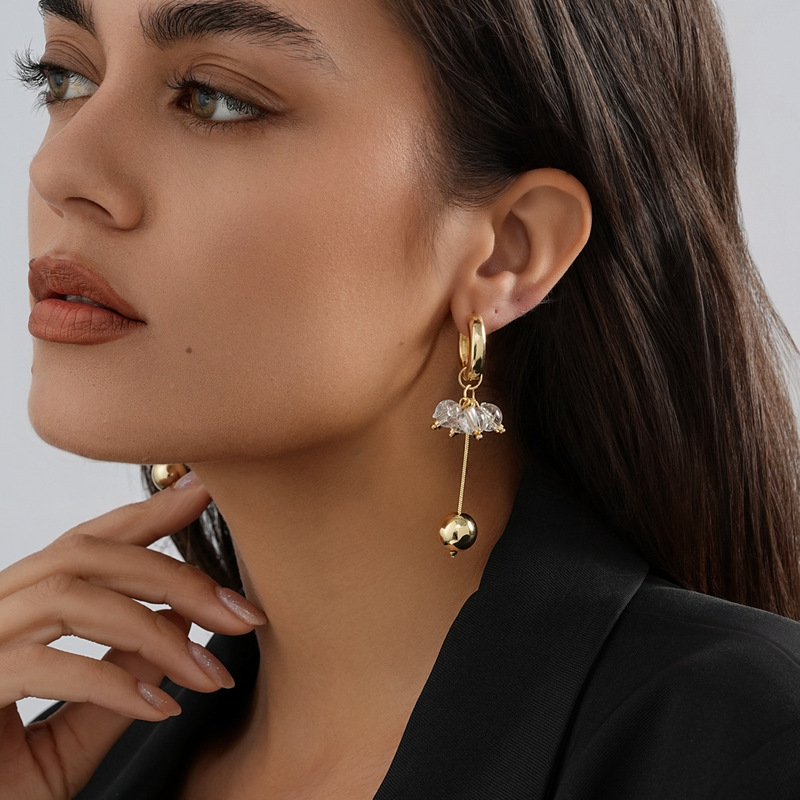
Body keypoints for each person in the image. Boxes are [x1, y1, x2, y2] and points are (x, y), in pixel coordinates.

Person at [3, 0, 800, 797]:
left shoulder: (746, 747)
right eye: (68, 76)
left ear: (509, 250)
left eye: (215, 98)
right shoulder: (65, 768)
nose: (59, 169)